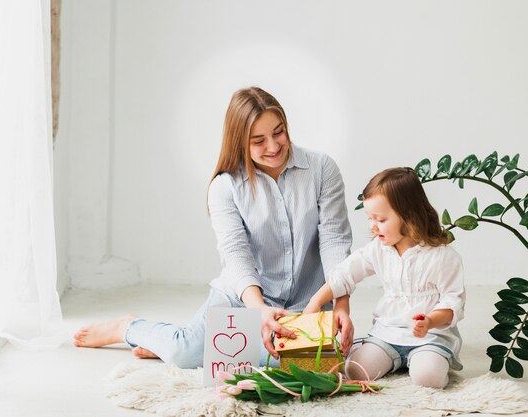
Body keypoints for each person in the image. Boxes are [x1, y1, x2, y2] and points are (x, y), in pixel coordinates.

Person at [74, 86, 354, 367]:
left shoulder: (321, 169)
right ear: (239, 142)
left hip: (309, 303)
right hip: (242, 298)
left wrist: (341, 303)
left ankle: (194, 347)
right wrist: (258, 310)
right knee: (183, 354)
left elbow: (334, 240)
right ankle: (131, 327)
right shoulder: (225, 186)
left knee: (320, 363)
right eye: (258, 141)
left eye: (278, 132)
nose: (273, 146)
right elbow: (236, 254)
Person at [302, 167, 465, 389]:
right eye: (370, 218)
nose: (372, 226)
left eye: (380, 219)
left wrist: (429, 322)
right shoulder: (378, 249)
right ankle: (394, 360)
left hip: (429, 337)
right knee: (354, 369)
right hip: (387, 334)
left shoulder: (443, 257)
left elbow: (452, 303)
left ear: (409, 216)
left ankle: (429, 362)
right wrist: (315, 302)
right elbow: (345, 273)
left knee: (428, 378)